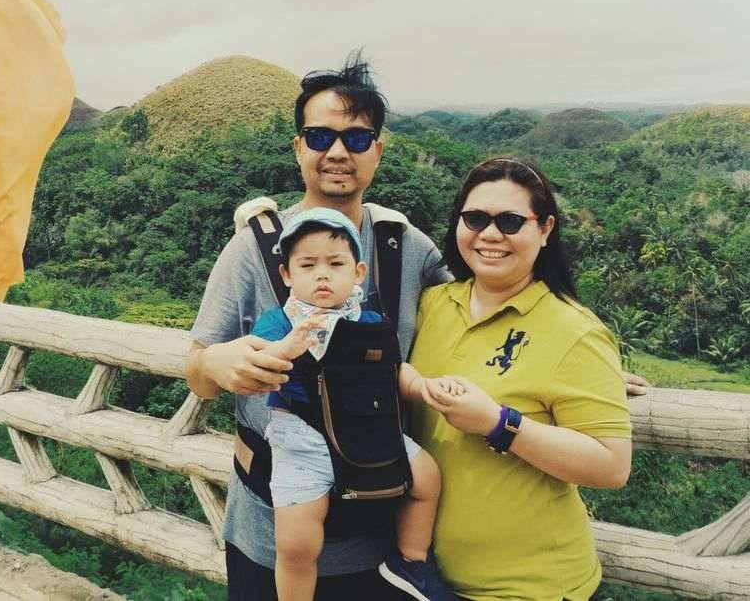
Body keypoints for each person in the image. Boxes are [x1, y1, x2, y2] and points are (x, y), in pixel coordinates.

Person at [185, 53, 451, 599]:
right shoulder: (254, 249)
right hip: (268, 533)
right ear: (299, 147)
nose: (336, 152)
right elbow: (197, 370)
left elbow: (490, 303)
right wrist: (218, 362)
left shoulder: (405, 247)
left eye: (356, 138)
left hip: (380, 536)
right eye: (319, 135)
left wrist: (572, 363)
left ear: (377, 148)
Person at [405, 157, 633, 601]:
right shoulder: (431, 305)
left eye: (510, 221)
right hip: (427, 577)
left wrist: (498, 423)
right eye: (475, 218)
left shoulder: (575, 332)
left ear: (544, 229)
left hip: (528, 585)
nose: (490, 235)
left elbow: (612, 466)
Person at [254, 207, 458, 601]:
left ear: (358, 272)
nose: (322, 274)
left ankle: (411, 562)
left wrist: (422, 388)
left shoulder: (367, 320)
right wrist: (286, 349)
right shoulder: (279, 322)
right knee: (297, 543)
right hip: (301, 441)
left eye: (335, 263)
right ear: (287, 275)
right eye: (308, 264)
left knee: (427, 478)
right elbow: (259, 366)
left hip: (367, 428)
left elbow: (393, 370)